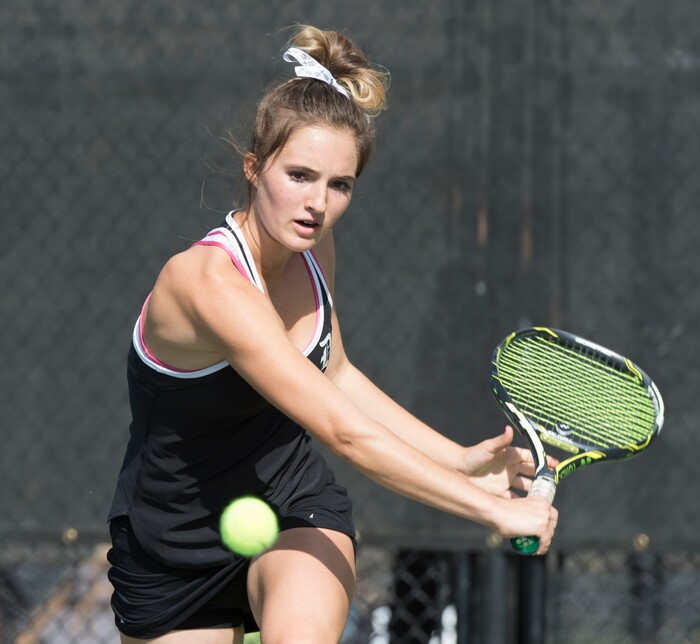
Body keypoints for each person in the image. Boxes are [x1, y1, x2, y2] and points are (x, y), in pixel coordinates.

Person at [106, 24, 558, 643]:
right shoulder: (206, 283)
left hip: (292, 505)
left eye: (339, 184)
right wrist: (491, 509)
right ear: (254, 168)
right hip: (171, 543)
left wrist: (459, 463)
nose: (318, 203)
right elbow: (344, 433)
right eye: (299, 175)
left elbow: (336, 374)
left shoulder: (313, 249)